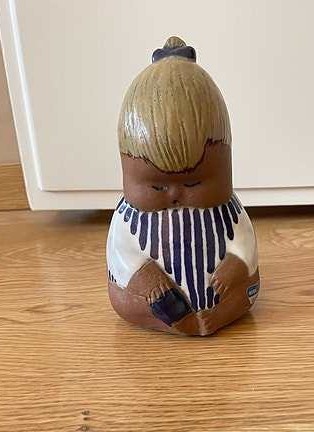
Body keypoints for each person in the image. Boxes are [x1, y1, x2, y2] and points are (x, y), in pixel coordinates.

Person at [107, 36, 260, 336]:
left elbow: (244, 243)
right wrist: (147, 279)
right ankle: (176, 320)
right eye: (157, 187)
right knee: (132, 300)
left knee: (244, 292)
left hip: (222, 296)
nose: (176, 194)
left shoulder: (228, 213)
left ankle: (216, 315)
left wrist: (236, 265)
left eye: (193, 182)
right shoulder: (128, 219)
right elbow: (123, 254)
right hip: (155, 300)